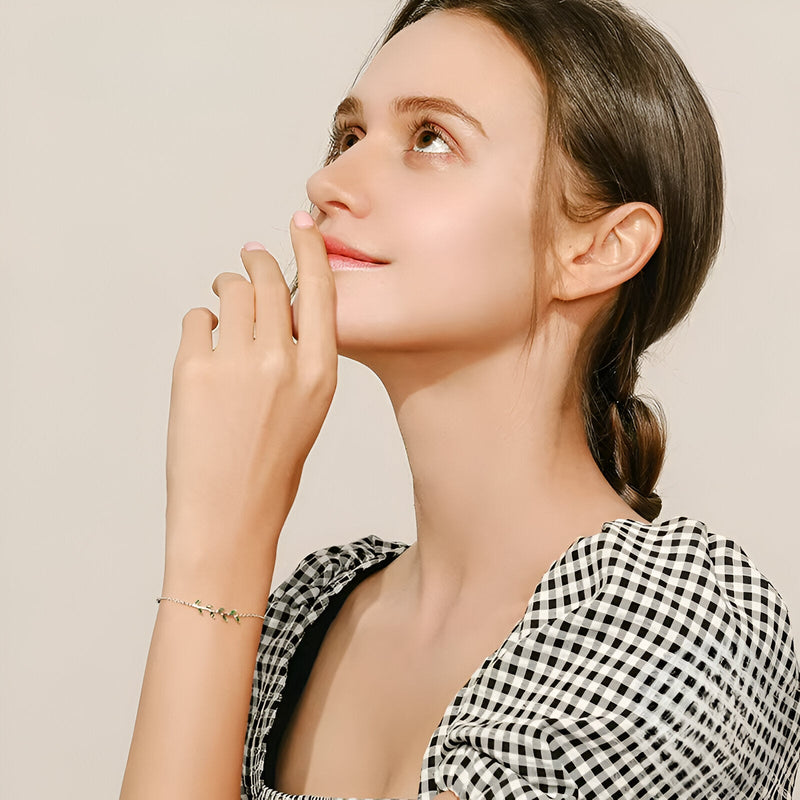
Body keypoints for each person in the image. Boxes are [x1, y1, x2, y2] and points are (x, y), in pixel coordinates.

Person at [120, 1, 800, 798]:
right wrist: (217, 548)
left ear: (597, 248)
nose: (328, 182)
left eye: (430, 138)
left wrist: (224, 546)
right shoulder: (306, 613)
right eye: (349, 137)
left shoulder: (681, 620)